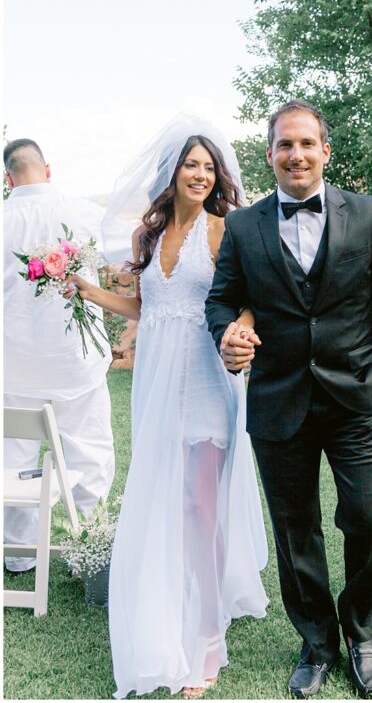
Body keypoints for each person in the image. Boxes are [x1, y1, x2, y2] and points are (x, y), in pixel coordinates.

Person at [207, 99, 372, 699]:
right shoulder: (245, 227)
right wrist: (226, 334)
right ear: (270, 154)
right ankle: (317, 641)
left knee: (371, 519)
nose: (295, 155)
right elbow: (222, 300)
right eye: (283, 145)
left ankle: (361, 630)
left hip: (358, 399)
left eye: (306, 144)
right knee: (295, 529)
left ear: (326, 150)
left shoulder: (370, 215)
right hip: (278, 400)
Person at [66, 115, 270, 699]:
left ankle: (207, 638)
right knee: (166, 500)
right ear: (172, 172)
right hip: (157, 384)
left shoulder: (225, 230)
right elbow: (143, 307)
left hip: (210, 379)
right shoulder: (147, 239)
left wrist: (242, 334)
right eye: (191, 165)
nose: (201, 175)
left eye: (209, 167)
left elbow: (253, 301)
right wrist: (83, 288)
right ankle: (169, 603)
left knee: (200, 507)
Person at [3, 139, 115, 574]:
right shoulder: (83, 212)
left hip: (12, 364)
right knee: (89, 451)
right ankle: (92, 549)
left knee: (12, 459)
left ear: (7, 179)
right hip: (76, 359)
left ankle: (17, 555)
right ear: (48, 170)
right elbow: (129, 256)